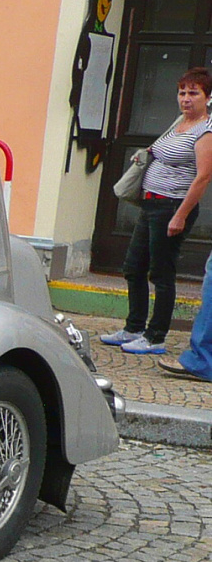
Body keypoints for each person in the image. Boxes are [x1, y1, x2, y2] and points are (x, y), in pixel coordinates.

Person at [103, 67, 212, 356]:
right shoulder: (179, 124)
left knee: (161, 273)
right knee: (133, 267)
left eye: (193, 93)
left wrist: (181, 215)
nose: (186, 99)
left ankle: (155, 337)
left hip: (172, 206)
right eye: (182, 92)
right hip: (151, 204)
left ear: (207, 98)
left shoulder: (205, 131)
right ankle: (134, 327)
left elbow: (203, 177)